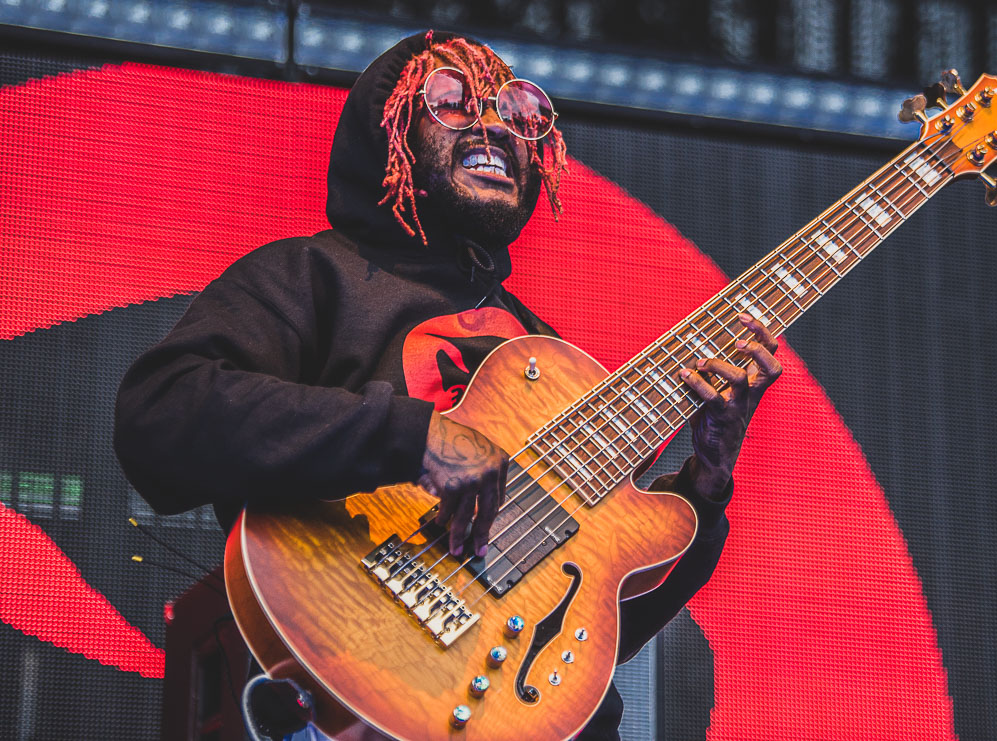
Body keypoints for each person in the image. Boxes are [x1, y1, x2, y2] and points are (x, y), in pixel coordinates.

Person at [114, 30, 781, 740]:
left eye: (520, 113)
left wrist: (706, 483)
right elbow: (160, 412)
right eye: (452, 103)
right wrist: (414, 436)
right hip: (340, 682)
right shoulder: (310, 277)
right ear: (392, 132)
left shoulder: (550, 355)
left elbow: (595, 634)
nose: (494, 124)